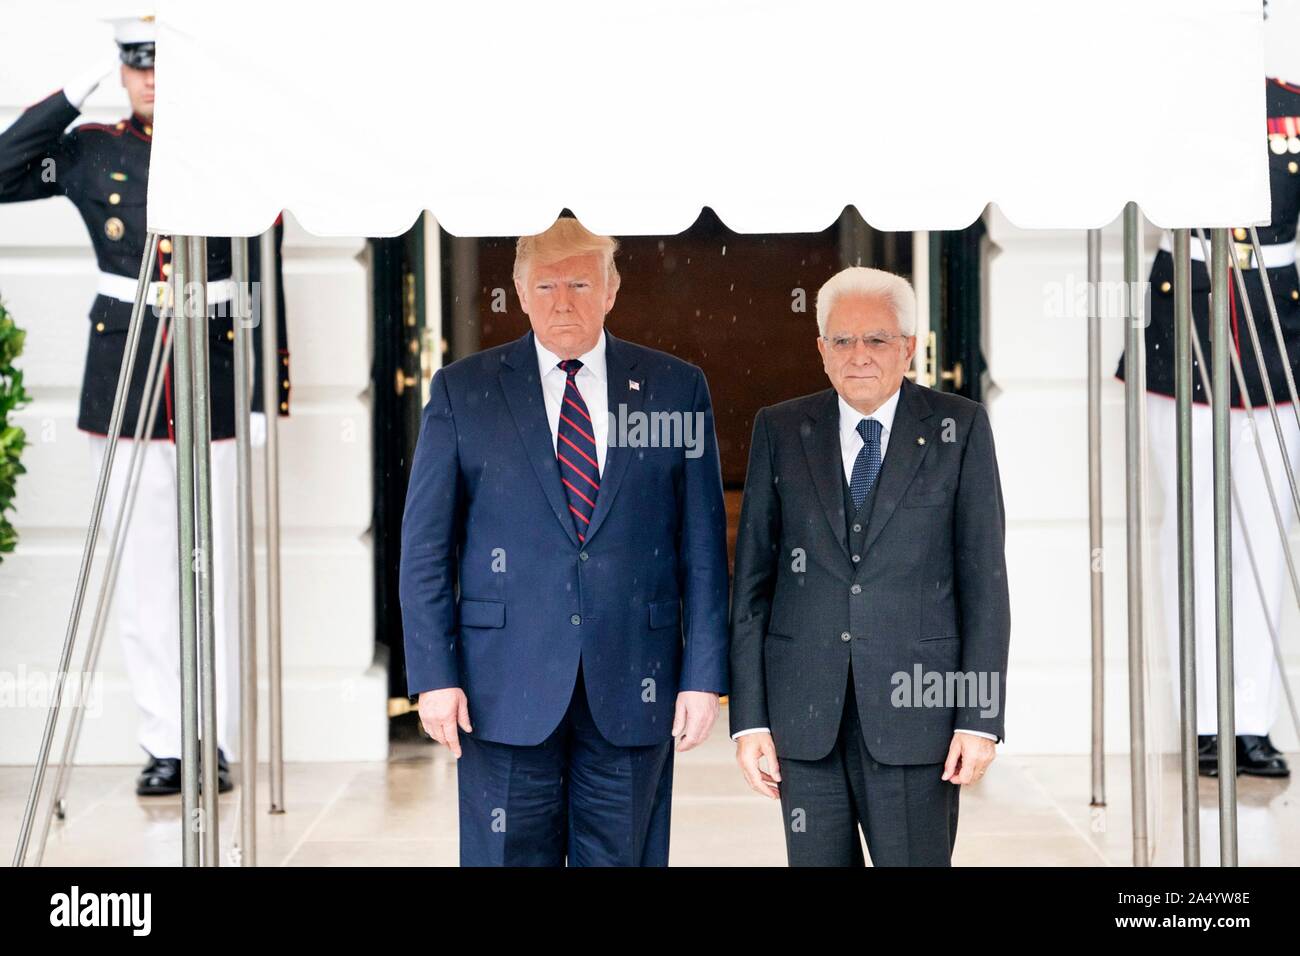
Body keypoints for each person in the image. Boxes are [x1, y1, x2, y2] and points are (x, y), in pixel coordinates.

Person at [0, 14, 291, 794]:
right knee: (143, 574)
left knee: (215, 573)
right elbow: (1, 170)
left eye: (161, 65)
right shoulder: (90, 150)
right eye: (135, 67)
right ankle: (165, 740)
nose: (151, 80)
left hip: (215, 371)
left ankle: (214, 742)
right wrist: (68, 92)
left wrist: (268, 390)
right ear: (118, 73)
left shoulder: (233, 147)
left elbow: (266, 273)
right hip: (123, 383)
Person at [399, 216, 729, 866]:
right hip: (502, 688)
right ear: (519, 293)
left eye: (580, 282)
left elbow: (703, 549)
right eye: (546, 285)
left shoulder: (673, 388)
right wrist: (434, 676)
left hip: (636, 678)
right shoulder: (465, 391)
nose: (563, 301)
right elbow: (425, 552)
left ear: (611, 289)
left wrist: (703, 677)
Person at [729, 266, 1010, 866]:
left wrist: (980, 719)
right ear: (822, 350)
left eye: (877, 339)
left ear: (908, 347)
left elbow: (984, 583)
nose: (859, 355)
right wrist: (748, 721)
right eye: (843, 340)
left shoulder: (958, 428)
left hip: (919, 721)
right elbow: (752, 585)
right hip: (805, 721)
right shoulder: (779, 429)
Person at [1114, 76, 1300, 778]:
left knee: (1265, 530)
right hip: (1184, 324)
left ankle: (1250, 721)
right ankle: (1202, 721)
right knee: (1192, 533)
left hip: (1279, 325)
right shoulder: (1168, 100)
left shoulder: (1292, 107)